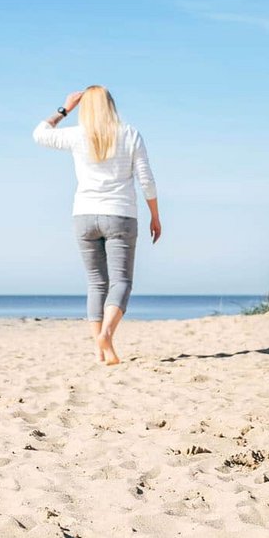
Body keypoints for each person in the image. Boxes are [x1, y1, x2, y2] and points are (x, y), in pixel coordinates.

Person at [33, 85, 162, 365]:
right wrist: (155, 215)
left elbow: (40, 134)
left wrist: (64, 109)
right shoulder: (129, 133)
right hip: (120, 215)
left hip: (83, 216)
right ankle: (105, 336)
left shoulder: (77, 135)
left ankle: (101, 350)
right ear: (111, 105)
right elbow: (146, 179)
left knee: (96, 283)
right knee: (122, 282)